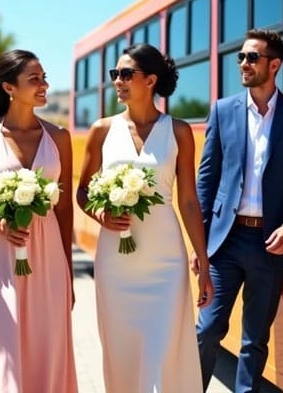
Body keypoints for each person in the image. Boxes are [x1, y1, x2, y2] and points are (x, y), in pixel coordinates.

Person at [76, 43, 213, 392]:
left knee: (163, 350)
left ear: (150, 80)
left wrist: (204, 261)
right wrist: (101, 213)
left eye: (125, 75)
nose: (117, 82)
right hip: (115, 261)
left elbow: (188, 201)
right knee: (121, 349)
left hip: (166, 259)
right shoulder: (102, 130)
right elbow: (82, 192)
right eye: (115, 75)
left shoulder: (178, 130)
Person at [194, 29, 283, 392]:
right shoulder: (222, 110)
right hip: (225, 242)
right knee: (208, 328)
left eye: (252, 57)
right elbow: (207, 180)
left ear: (274, 64)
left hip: (270, 243)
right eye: (241, 57)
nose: (244, 64)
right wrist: (199, 246)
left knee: (254, 340)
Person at [0, 49, 77, 392]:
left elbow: (65, 208)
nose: (44, 85)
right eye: (34, 79)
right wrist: (0, 223)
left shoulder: (59, 137)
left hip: (49, 258)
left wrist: (68, 271)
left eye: (44, 78)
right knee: (4, 352)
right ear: (9, 88)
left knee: (47, 347)